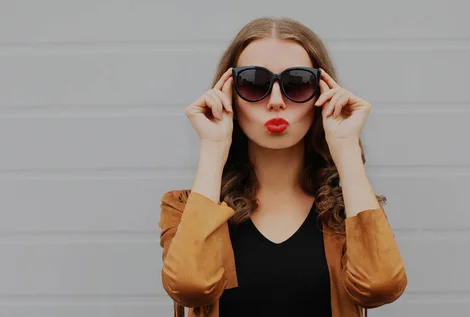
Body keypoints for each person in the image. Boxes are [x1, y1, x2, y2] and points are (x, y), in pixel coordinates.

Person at [158, 17, 407, 317]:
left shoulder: (347, 212)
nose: (276, 101)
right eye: (253, 83)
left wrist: (345, 146)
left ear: (323, 94)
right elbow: (189, 286)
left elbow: (381, 286)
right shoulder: (184, 210)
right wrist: (213, 147)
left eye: (297, 84)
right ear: (228, 96)